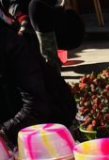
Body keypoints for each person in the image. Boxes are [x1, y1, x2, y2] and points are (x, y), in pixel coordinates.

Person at [0, 17, 76, 145]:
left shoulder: (11, 44)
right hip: (16, 122)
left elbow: (37, 106)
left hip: (47, 128)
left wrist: (3, 132)